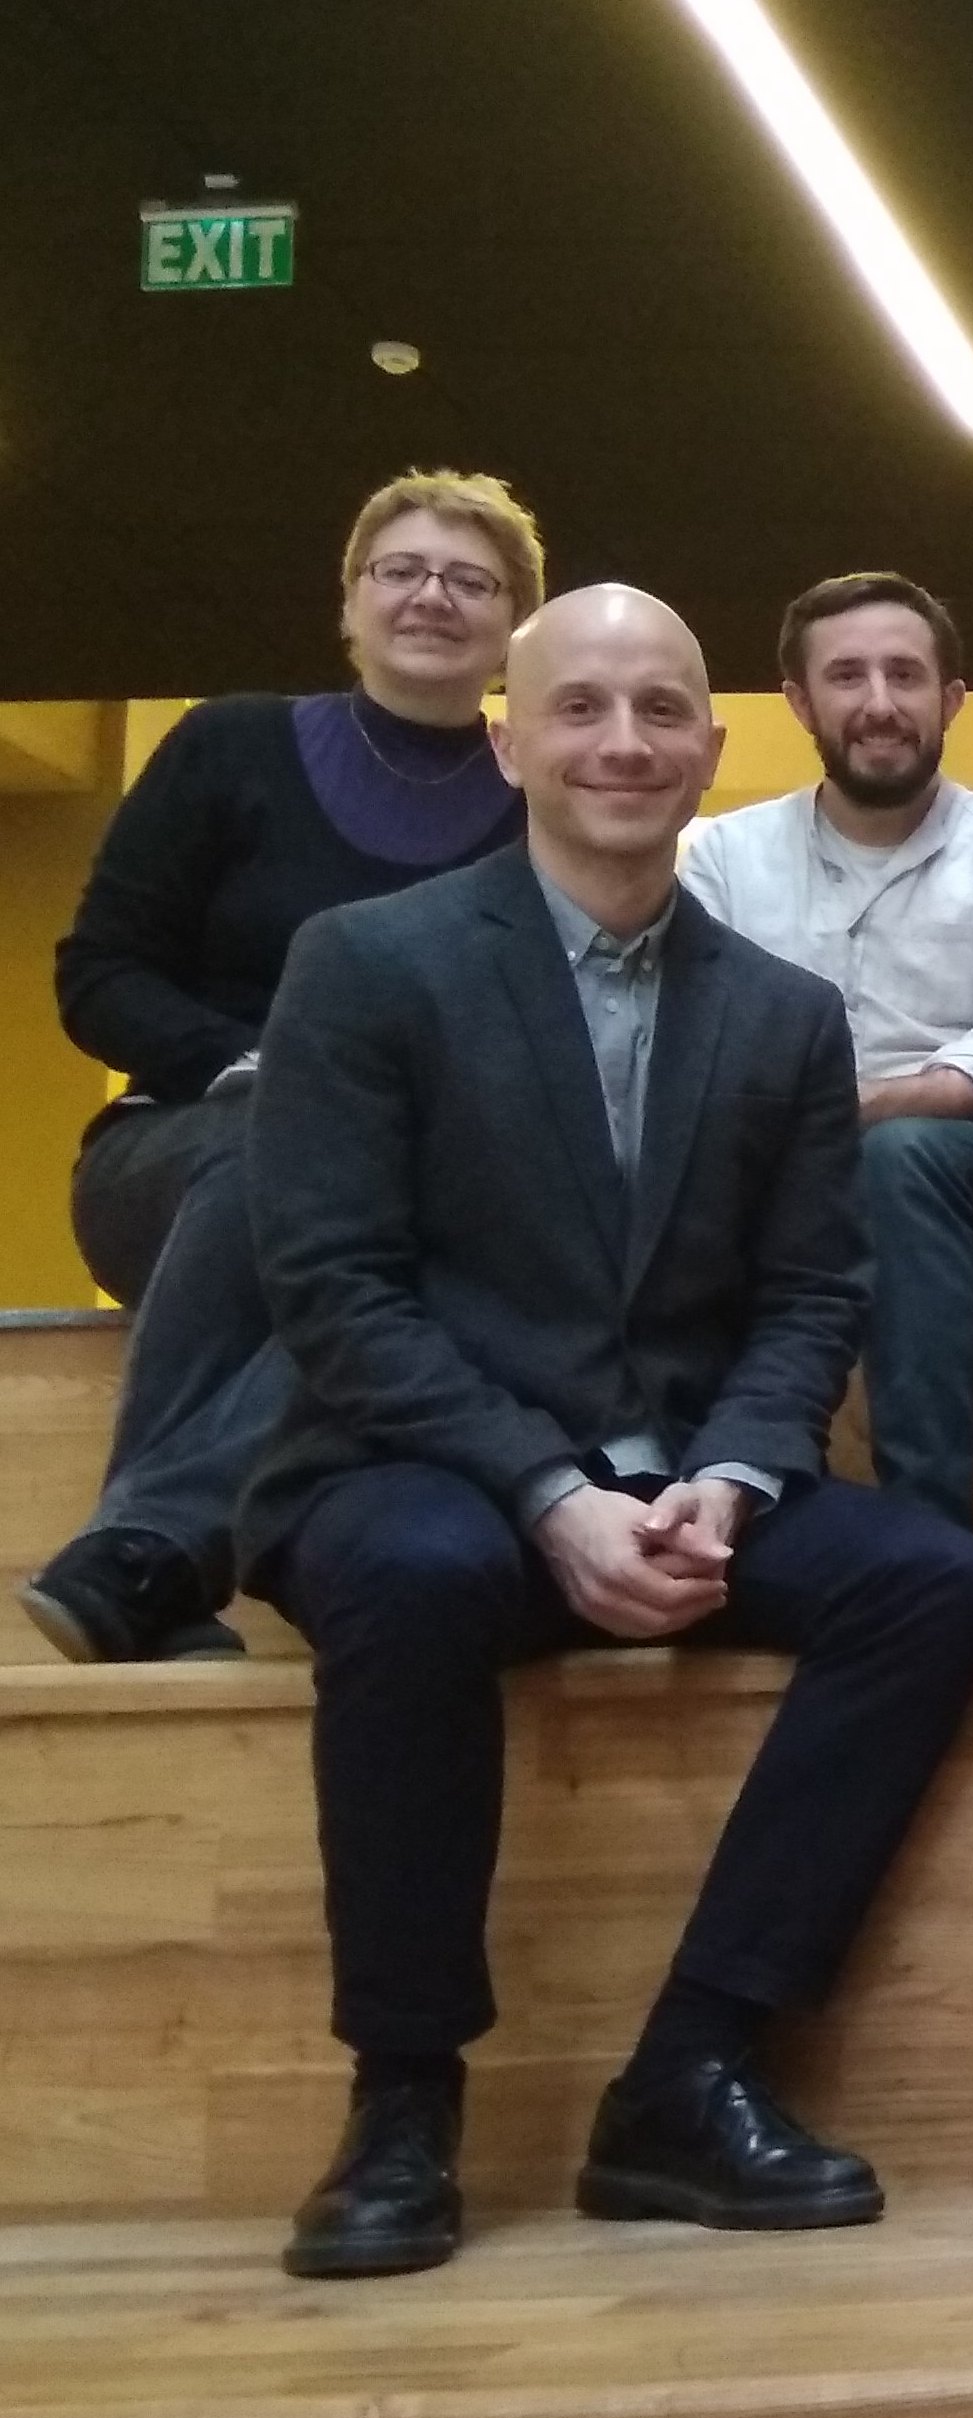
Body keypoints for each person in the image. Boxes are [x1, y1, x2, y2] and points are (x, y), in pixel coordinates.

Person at [243, 586, 973, 2281]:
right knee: (417, 1575)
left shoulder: (783, 1012)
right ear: (508, 740)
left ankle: (692, 2068)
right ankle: (402, 2099)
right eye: (580, 707)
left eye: (662, 710)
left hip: (684, 1475)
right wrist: (546, 1489)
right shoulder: (366, 965)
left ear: (714, 747)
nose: (624, 742)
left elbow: (810, 1295)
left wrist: (728, 1477)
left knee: (934, 1582)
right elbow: (335, 1289)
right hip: (424, 1470)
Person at [28, 470, 541, 1665]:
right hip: (184, 1156)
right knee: (296, 1143)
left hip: (416, 1192)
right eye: (401, 571)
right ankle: (157, 1544)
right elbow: (100, 974)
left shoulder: (541, 799)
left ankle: (147, 1560)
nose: (432, 597)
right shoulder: (229, 744)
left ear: (515, 626)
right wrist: (253, 1065)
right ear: (350, 601)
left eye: (471, 582)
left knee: (423, 1245)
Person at [680, 573, 973, 1537]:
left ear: (951, 699)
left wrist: (838, 1117)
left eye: (905, 675)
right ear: (798, 701)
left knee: (899, 1159)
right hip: (777, 1181)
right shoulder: (724, 859)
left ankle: (928, 1533)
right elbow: (701, 1045)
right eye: (847, 676)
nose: (878, 703)